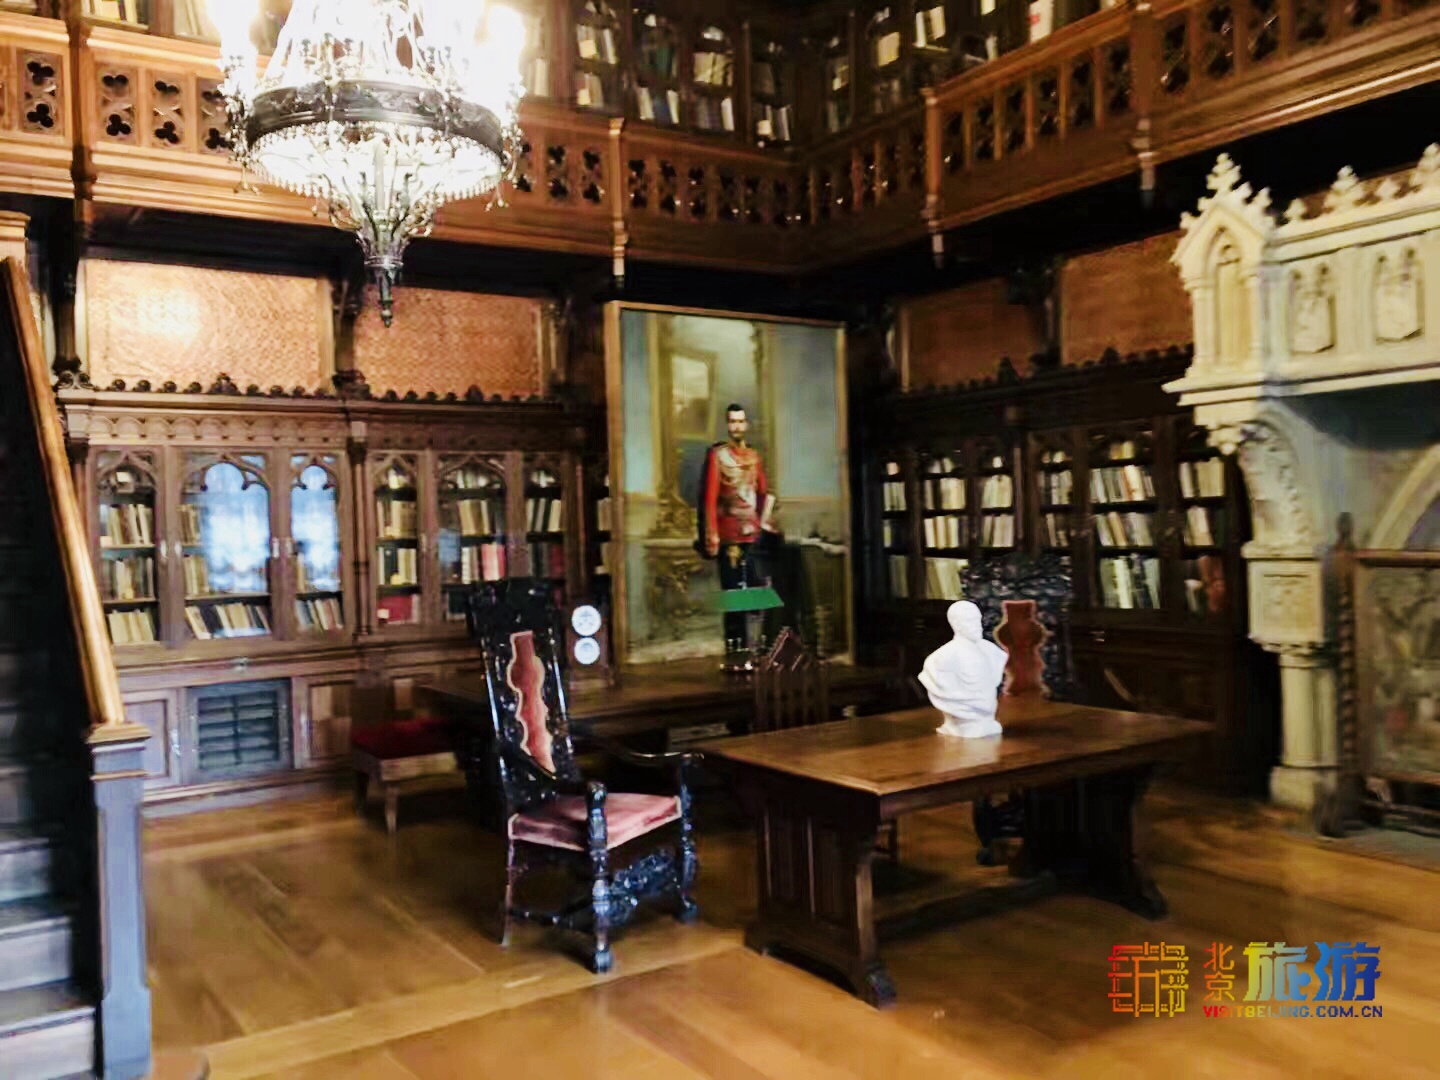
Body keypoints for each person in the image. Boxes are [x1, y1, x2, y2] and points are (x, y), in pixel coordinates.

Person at [695, 403, 777, 650]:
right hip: (728, 534)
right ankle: (735, 646)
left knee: (756, 590)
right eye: (732, 421)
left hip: (753, 535)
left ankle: (756, 645)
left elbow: (762, 492)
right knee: (732, 593)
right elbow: (710, 498)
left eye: (740, 421)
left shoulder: (754, 457)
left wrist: (764, 521)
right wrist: (712, 535)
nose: (736, 426)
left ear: (746, 424)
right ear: (727, 425)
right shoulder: (717, 456)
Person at [919, 600, 1009, 738]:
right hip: (964, 720)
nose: (977, 626)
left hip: (987, 718)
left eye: (978, 620)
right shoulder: (940, 659)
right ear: (956, 624)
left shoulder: (991, 651)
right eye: (970, 621)